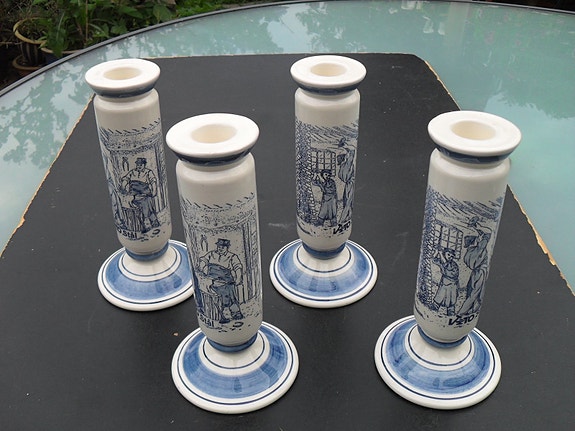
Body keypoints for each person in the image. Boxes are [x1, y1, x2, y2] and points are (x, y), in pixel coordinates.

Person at [199, 238, 244, 324]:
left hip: (227, 281)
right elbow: (203, 260)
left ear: (227, 248)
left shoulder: (232, 256)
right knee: (216, 299)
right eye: (219, 246)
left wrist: (238, 278)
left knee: (231, 297)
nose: (220, 248)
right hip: (213, 280)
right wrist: (203, 267)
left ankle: (236, 313)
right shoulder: (211, 254)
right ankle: (221, 315)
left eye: (223, 247)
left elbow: (238, 267)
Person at [458, 218, 492, 315]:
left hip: (474, 273)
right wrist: (477, 226)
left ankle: (471, 310)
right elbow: (488, 233)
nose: (478, 239)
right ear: (474, 242)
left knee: (470, 290)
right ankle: (462, 312)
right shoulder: (478, 249)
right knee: (475, 293)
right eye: (476, 239)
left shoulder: (468, 253)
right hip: (481, 272)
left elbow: (482, 236)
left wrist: (475, 228)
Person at [120, 157, 159, 233]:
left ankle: (147, 222)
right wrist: (123, 186)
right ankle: (151, 221)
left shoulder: (148, 172)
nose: (139, 166)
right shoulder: (132, 172)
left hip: (145, 193)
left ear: (144, 165)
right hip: (134, 194)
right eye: (138, 164)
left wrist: (154, 190)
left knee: (146, 201)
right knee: (142, 203)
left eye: (141, 164)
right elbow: (126, 179)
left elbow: (153, 181)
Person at [432, 247, 460, 316]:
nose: (450, 257)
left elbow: (446, 266)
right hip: (444, 283)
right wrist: (436, 252)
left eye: (452, 256)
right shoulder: (443, 261)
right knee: (439, 297)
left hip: (452, 285)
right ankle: (434, 309)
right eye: (448, 255)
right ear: (445, 254)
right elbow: (434, 260)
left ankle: (451, 313)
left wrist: (441, 254)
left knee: (451, 300)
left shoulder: (453, 264)